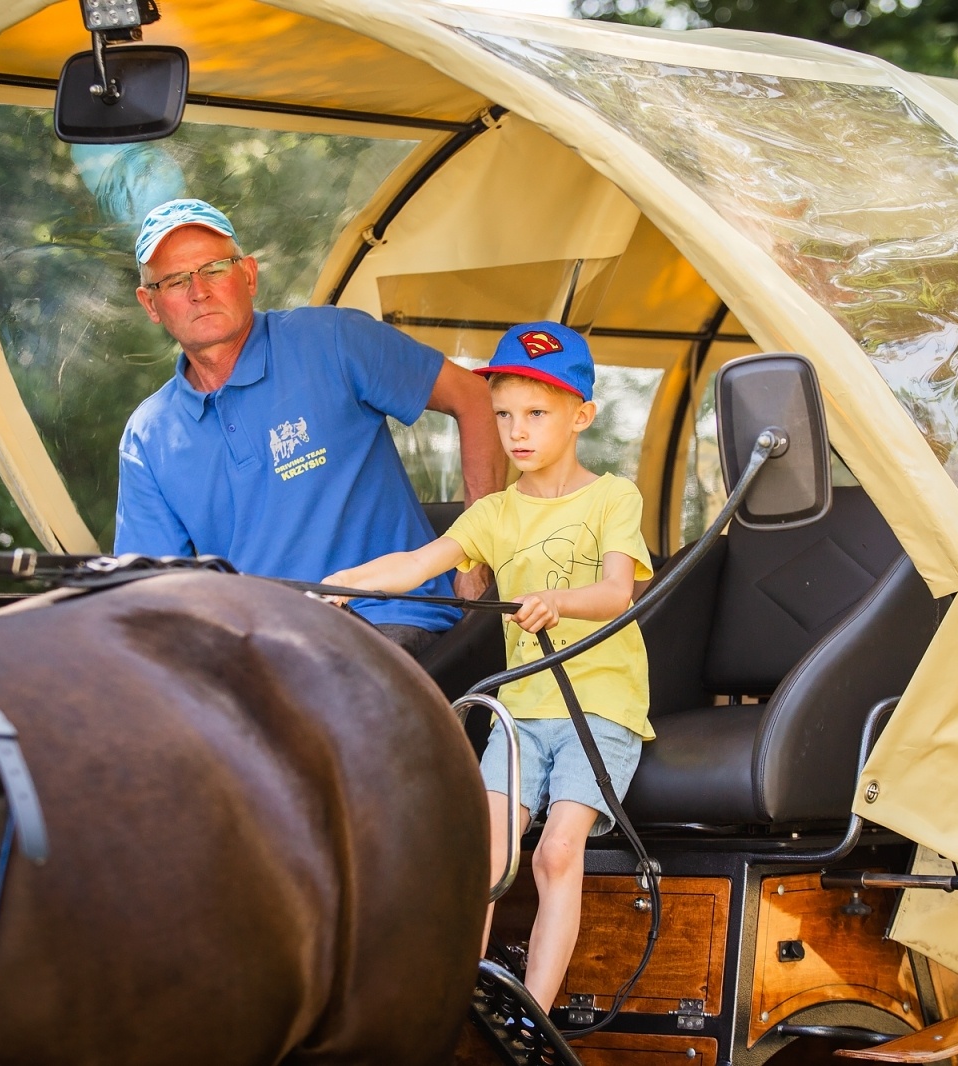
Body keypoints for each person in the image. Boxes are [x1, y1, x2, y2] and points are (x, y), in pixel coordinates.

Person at [324, 321, 653, 1008]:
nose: (516, 431)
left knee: (555, 853)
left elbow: (618, 591)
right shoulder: (496, 513)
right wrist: (334, 587)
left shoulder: (613, 497)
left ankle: (533, 1017)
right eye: (503, 415)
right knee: (485, 859)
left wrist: (559, 601)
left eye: (536, 413)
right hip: (520, 718)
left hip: (598, 711)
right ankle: (451, 1010)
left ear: (581, 416)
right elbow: (415, 565)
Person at [114, 198, 506, 656]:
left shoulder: (334, 341)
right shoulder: (148, 435)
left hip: (387, 621)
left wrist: (476, 552)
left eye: (215, 269)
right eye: (176, 280)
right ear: (151, 304)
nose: (198, 290)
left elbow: (476, 399)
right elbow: (147, 593)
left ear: (249, 275)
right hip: (262, 654)